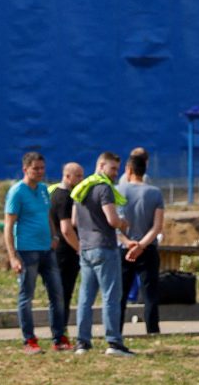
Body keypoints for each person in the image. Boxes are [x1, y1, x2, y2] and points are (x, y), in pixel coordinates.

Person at [70, 150, 135, 356]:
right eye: (113, 168)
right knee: (111, 296)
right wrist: (123, 223)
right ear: (101, 166)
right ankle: (114, 342)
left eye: (117, 168)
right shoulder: (104, 187)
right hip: (104, 246)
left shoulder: (82, 187)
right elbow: (112, 220)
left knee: (85, 298)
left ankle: (83, 342)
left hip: (86, 247)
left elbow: (73, 221)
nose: (116, 173)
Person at [7, 150, 66, 351]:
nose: (40, 172)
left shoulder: (43, 189)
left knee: (57, 294)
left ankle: (59, 338)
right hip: (26, 251)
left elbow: (47, 215)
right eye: (35, 169)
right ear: (25, 169)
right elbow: (8, 226)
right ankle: (29, 340)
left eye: (42, 168)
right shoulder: (17, 192)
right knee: (27, 296)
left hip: (47, 250)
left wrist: (54, 235)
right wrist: (13, 256)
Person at [119, 147, 166, 337]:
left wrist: (128, 242)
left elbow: (113, 223)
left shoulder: (118, 191)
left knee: (120, 294)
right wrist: (141, 245)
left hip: (124, 248)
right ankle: (152, 329)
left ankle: (116, 330)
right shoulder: (155, 193)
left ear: (128, 170)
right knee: (150, 293)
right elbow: (157, 227)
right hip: (147, 249)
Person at [48, 159, 85, 352]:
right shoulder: (64, 197)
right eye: (78, 176)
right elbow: (66, 228)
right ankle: (60, 334)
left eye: (82, 175)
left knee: (63, 294)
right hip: (65, 252)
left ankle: (61, 333)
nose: (81, 179)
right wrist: (79, 248)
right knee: (63, 294)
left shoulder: (58, 194)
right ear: (67, 176)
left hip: (62, 251)